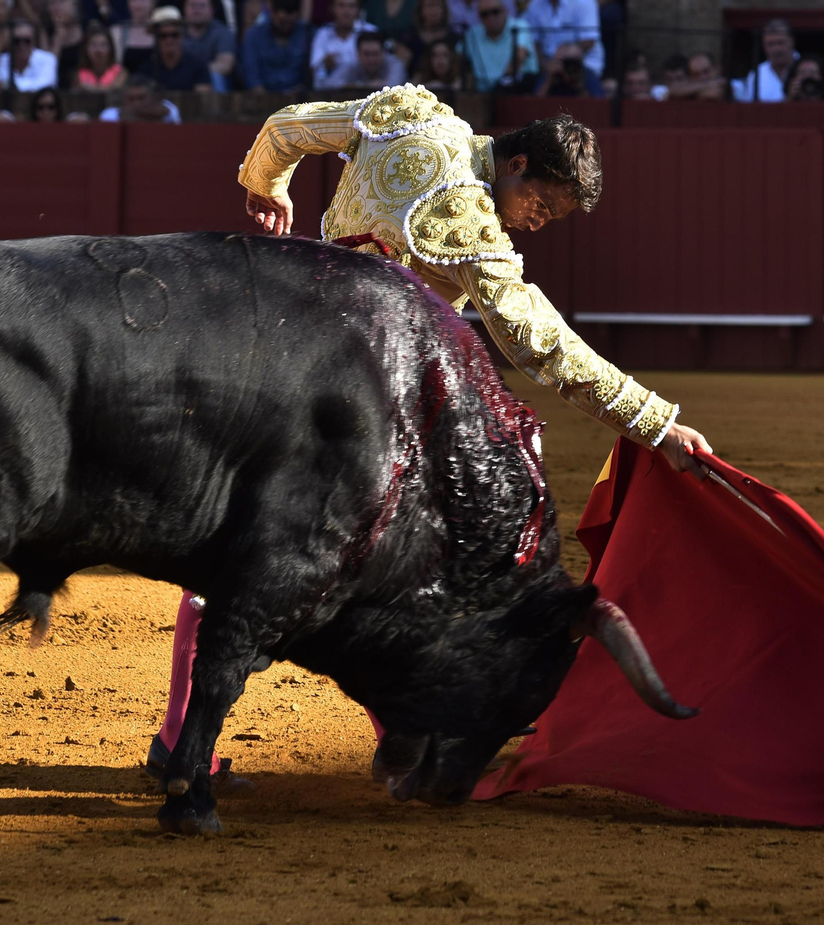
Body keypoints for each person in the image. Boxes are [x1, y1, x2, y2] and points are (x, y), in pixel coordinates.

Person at [148, 84, 711, 780]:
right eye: (540, 205)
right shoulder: (467, 221)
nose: (535, 224)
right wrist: (654, 422)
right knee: (396, 554)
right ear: (517, 164)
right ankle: (411, 728)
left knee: (281, 545)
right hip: (361, 399)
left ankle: (192, 738)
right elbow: (538, 343)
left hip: (290, 354)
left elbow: (287, 127)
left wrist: (266, 187)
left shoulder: (413, 119)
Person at [460, 0, 537, 92]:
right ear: (479, 17)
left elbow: (519, 56)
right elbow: (457, 57)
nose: (491, 18)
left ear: (505, 11)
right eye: (484, 14)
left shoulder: (519, 26)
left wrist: (500, 85)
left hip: (514, 90)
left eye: (495, 12)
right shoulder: (473, 34)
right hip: (481, 92)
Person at [240, 0, 309, 93]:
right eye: (281, 22)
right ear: (272, 12)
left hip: (300, 98)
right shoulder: (253, 36)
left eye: (289, 22)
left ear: (297, 14)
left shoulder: (308, 34)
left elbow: (311, 78)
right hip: (263, 96)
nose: (285, 26)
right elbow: (252, 78)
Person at [310, 0, 374, 90]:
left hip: (365, 90)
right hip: (331, 92)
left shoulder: (370, 32)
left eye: (351, 6)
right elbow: (314, 68)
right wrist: (325, 64)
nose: (346, 11)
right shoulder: (322, 34)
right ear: (332, 9)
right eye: (341, 5)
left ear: (359, 10)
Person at [143, 5, 209, 90]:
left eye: (174, 35)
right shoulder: (147, 69)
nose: (169, 40)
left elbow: (203, 96)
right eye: (163, 35)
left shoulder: (198, 66)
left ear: (182, 35)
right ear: (156, 38)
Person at [731, 18, 795, 103]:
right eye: (770, 44)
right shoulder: (757, 74)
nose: (776, 49)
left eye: (780, 43)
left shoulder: (806, 67)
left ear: (791, 41)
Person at [0, 19, 56, 89]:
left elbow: (44, 85)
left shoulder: (48, 59)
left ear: (34, 42)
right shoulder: (0, 59)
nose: (22, 46)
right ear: (9, 43)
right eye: (16, 41)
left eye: (27, 41)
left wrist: (3, 85)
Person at [180, 0, 232, 91]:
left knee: (216, 77)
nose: (197, 9)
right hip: (183, 79)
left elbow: (225, 65)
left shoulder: (223, 32)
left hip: (212, 82)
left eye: (202, 5)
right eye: (193, 5)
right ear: (184, 8)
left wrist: (196, 72)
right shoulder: (174, 33)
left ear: (212, 10)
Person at [330, 30, 404, 88]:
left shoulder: (395, 64)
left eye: (375, 54)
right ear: (358, 54)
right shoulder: (352, 65)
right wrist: (366, 85)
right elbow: (329, 84)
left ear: (383, 53)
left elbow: (394, 86)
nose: (371, 59)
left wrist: (356, 86)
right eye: (367, 54)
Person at [394, 0, 454, 72]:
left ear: (444, 9)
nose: (434, 10)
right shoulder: (408, 37)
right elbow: (399, 70)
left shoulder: (453, 37)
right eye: (429, 6)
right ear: (421, 9)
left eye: (438, 5)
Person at [97, 69, 177, 120]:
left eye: (141, 98)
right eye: (131, 99)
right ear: (124, 99)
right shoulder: (110, 114)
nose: (136, 103)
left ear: (152, 97)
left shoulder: (169, 108)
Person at [533, 38, 599, 97]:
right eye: (564, 62)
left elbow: (597, 102)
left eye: (573, 63)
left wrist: (579, 85)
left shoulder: (586, 74)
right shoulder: (549, 73)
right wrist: (549, 80)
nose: (569, 67)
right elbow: (536, 102)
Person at [75, 22, 126, 88]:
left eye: (103, 45)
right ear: (85, 49)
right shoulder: (77, 74)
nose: (98, 50)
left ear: (111, 48)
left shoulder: (120, 73)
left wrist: (90, 88)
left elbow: (115, 89)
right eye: (93, 45)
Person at [114, 0, 155, 73]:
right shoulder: (118, 32)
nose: (138, 5)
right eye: (134, 1)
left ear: (152, 3)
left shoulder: (162, 32)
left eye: (143, 1)